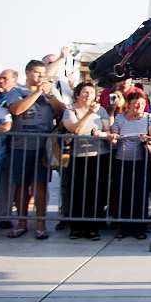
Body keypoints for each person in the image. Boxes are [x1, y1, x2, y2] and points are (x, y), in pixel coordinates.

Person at [5, 60, 66, 239]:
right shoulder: (16, 91)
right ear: (28, 73)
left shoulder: (49, 90)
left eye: (43, 74)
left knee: (40, 185)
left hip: (43, 147)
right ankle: (22, 222)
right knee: (21, 185)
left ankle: (41, 224)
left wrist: (51, 97)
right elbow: (17, 110)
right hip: (21, 146)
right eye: (37, 73)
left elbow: (61, 111)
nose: (41, 77)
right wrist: (37, 92)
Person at [61, 82, 112, 240]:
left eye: (91, 92)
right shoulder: (70, 110)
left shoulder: (101, 110)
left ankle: (92, 227)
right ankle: (76, 227)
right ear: (77, 94)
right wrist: (89, 114)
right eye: (85, 92)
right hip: (78, 157)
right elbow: (75, 129)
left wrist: (102, 133)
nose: (88, 95)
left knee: (95, 193)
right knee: (76, 192)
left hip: (99, 155)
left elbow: (107, 130)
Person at [110, 92, 151, 239]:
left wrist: (148, 138)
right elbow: (114, 134)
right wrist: (114, 137)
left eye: (143, 104)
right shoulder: (120, 118)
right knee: (122, 193)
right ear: (129, 103)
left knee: (140, 194)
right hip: (122, 161)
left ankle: (139, 227)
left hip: (141, 162)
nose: (139, 106)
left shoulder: (149, 118)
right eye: (137, 103)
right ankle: (123, 227)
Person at [0, 69, 17, 228]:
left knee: (5, 186)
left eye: (5, 78)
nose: (1, 80)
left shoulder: (5, 106)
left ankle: (3, 216)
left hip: (7, 151)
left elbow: (7, 126)